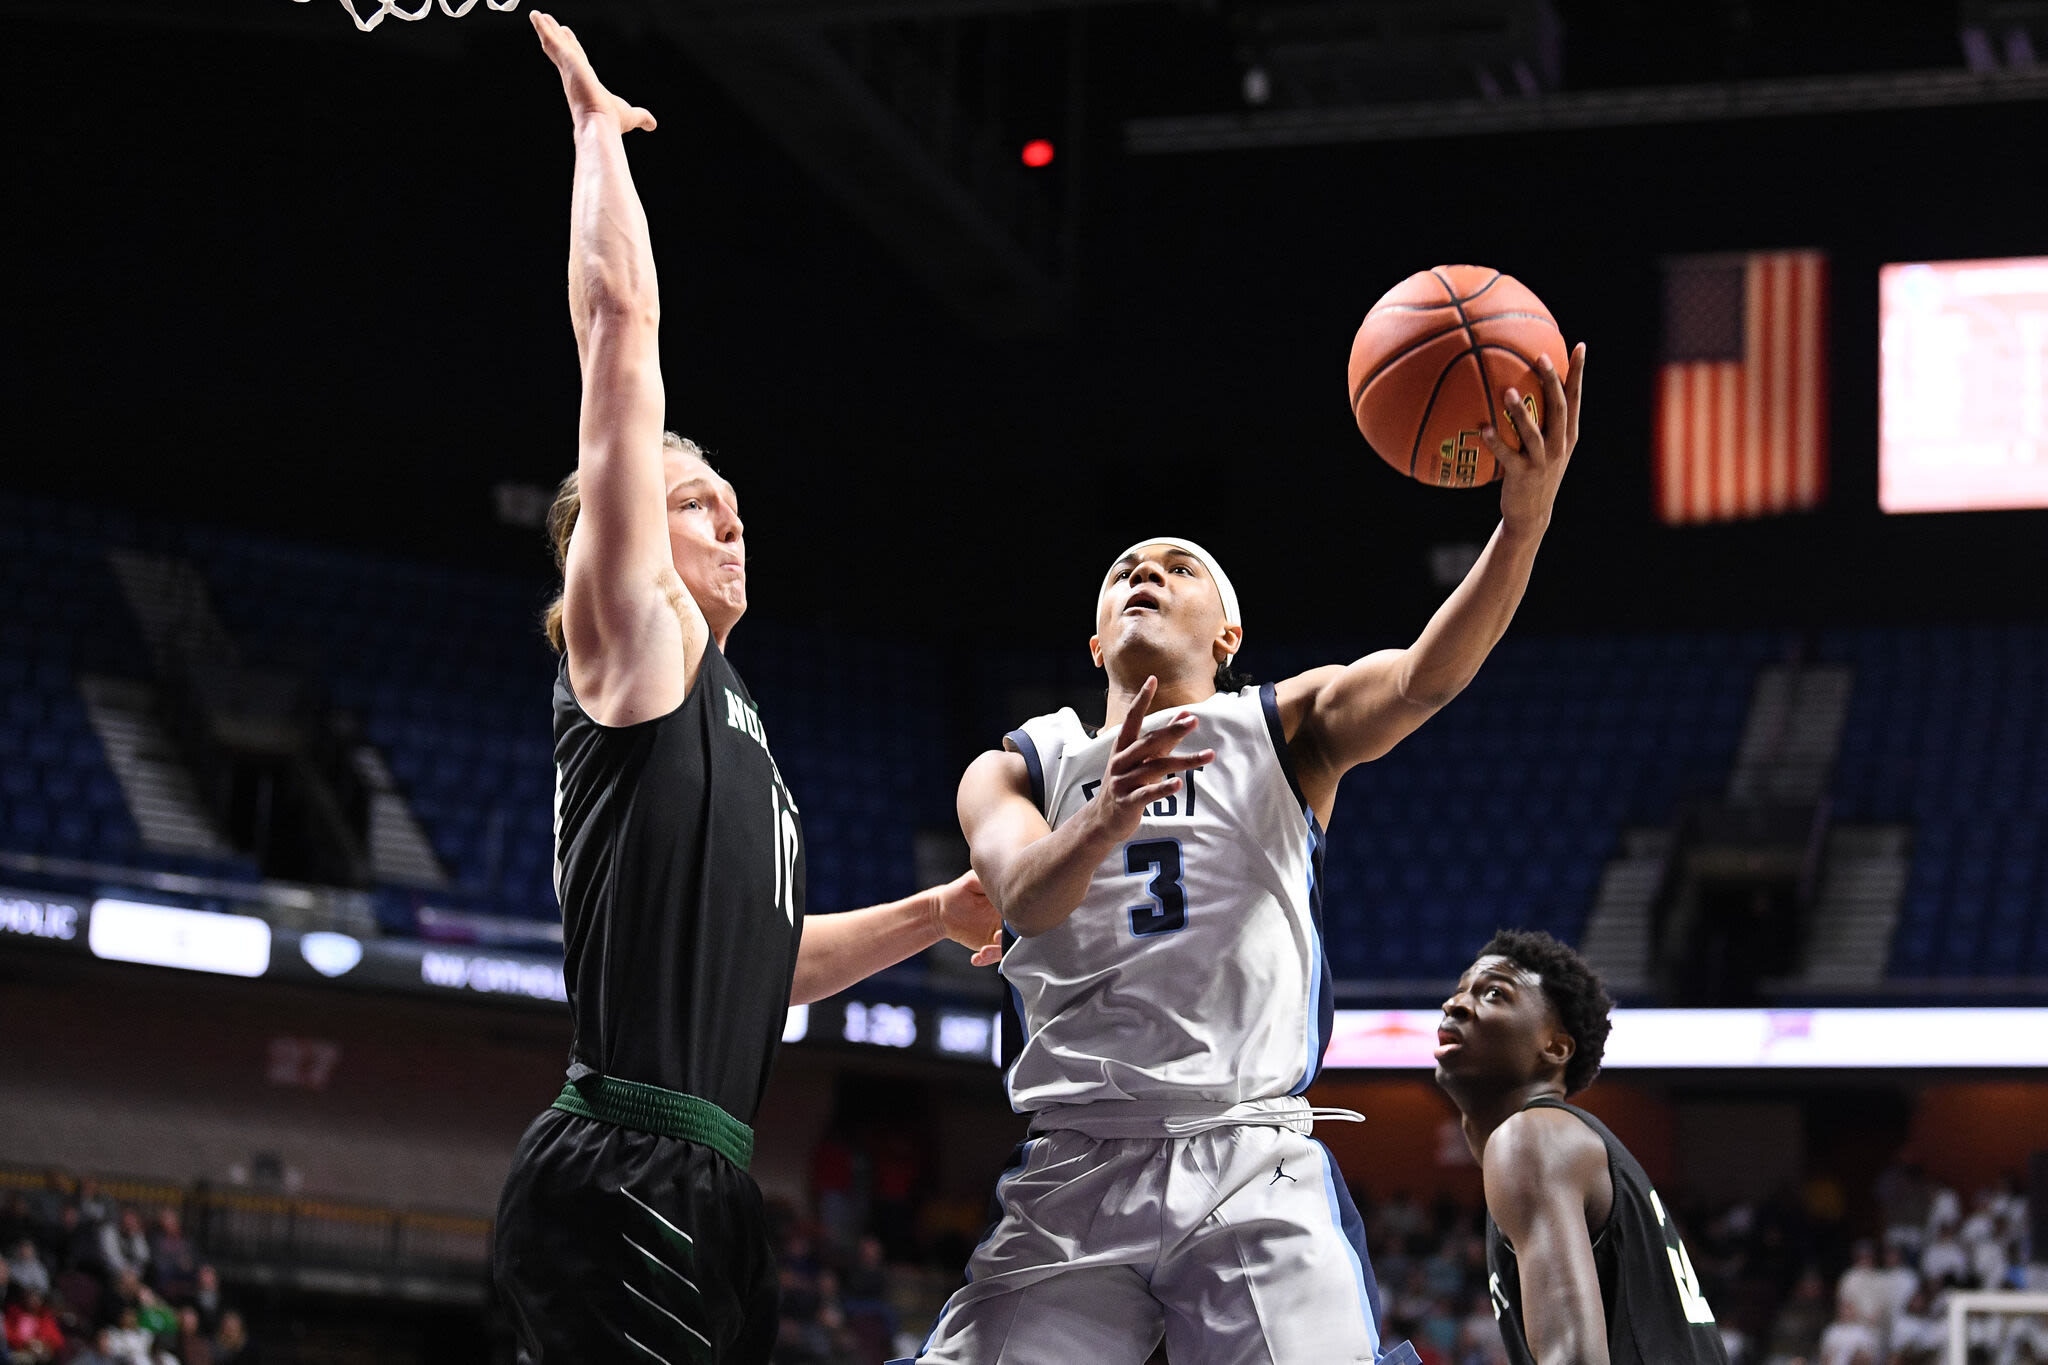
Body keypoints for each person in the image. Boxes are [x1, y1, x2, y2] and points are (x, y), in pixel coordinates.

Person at [492, 15, 1004, 1365]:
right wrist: (599, 139)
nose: (729, 520)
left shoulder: (742, 729)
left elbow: (766, 963)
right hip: (622, 1163)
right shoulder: (629, 640)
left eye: (729, 502)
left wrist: (938, 910)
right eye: (691, 501)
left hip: (710, 1173)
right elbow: (618, 333)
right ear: (612, 540)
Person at [912, 346, 1586, 1364]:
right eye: (1123, 572)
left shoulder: (1280, 725)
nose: (1145, 572)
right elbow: (1023, 897)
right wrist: (1098, 822)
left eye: (1177, 566)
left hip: (1247, 1155)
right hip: (1073, 1168)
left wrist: (1520, 524)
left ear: (1226, 632)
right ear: (1095, 644)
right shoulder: (1019, 764)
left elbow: (1420, 682)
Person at [1432, 930, 1728, 1365]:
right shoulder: (1558, 1145)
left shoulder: (1531, 1138)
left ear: (1555, 1047)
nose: (1454, 1005)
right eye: (1459, 992)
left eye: (1494, 993)